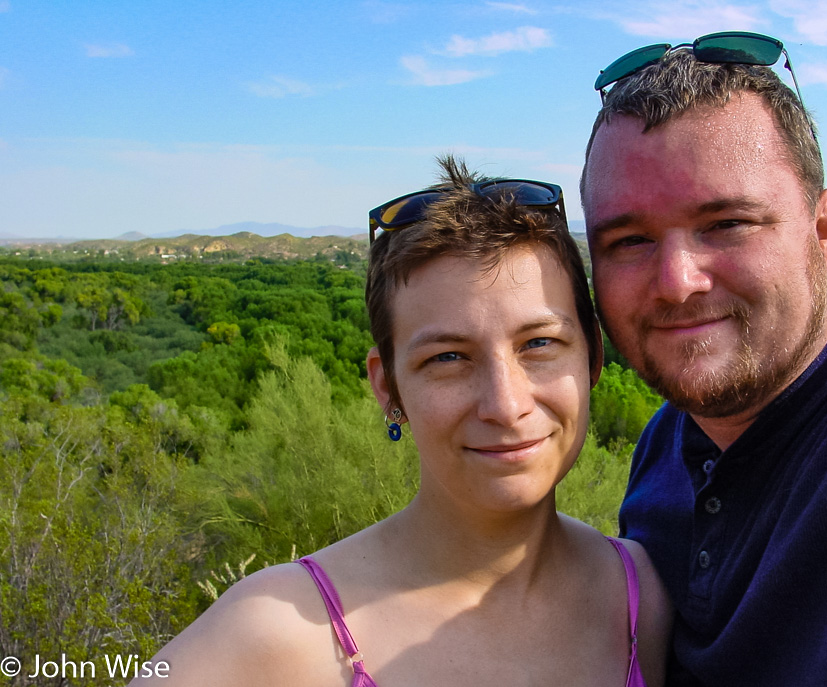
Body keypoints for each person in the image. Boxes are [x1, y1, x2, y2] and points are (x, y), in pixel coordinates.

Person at [129, 157, 672, 687]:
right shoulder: (274, 633)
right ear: (387, 386)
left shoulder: (637, 596)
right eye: (447, 358)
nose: (506, 405)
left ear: (593, 357)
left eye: (539, 344)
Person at [580, 31, 827, 686]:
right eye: (630, 239)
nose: (677, 281)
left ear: (823, 228)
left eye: (726, 224)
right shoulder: (669, 440)